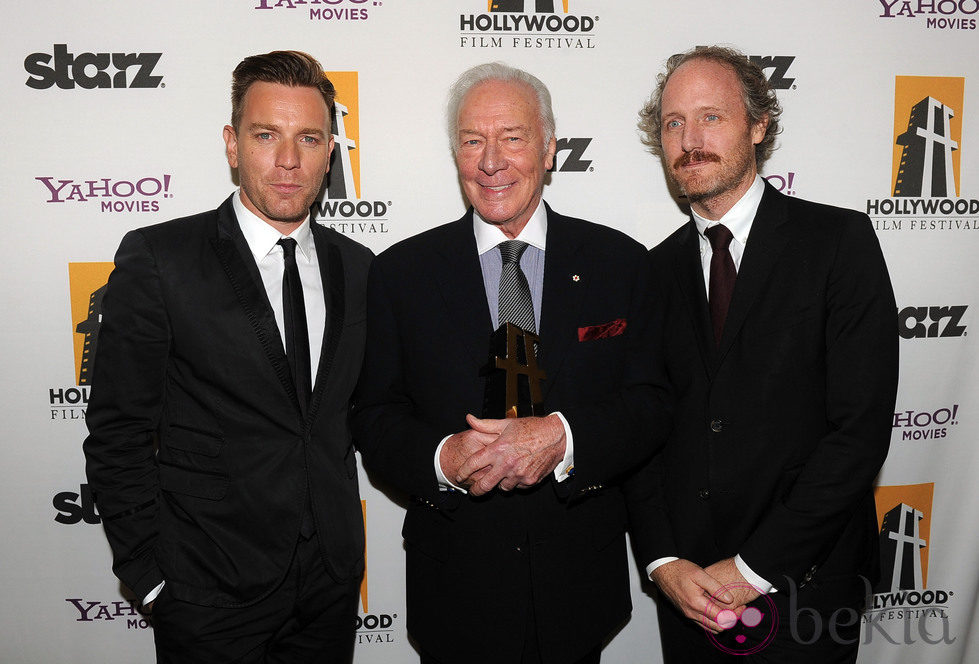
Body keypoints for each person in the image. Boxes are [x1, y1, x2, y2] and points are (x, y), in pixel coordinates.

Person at [352, 62, 669, 664]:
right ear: (456, 152)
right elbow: (374, 415)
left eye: (512, 138)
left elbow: (650, 403)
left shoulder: (620, 264)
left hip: (580, 584)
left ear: (550, 149)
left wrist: (562, 436)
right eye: (473, 140)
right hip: (454, 586)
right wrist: (443, 458)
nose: (491, 161)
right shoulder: (400, 275)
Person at [83, 50, 372, 663]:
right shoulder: (161, 259)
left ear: (330, 152)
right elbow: (118, 431)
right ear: (232, 143)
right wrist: (151, 574)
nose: (289, 160)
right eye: (266, 135)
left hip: (329, 586)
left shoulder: (361, 269)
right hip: (205, 589)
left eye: (309, 138)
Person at [626, 45, 899, 662]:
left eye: (710, 117)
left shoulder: (838, 243)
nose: (689, 140)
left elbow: (858, 433)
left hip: (808, 585)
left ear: (758, 124)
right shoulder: (652, 271)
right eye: (673, 123)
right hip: (691, 595)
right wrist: (664, 560)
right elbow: (640, 431)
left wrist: (752, 567)